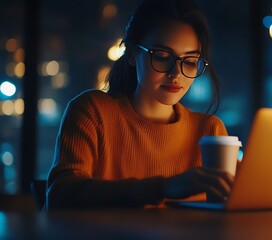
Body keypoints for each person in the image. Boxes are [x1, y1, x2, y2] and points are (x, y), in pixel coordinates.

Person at [45, 0, 233, 210]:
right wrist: (163, 188)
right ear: (133, 53)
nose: (176, 73)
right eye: (162, 57)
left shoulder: (210, 130)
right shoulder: (93, 112)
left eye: (189, 62)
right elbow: (60, 195)